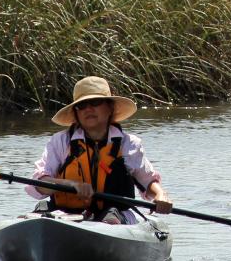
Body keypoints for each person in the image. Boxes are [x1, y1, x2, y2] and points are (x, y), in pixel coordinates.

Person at [25, 76, 172, 224]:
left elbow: (148, 182)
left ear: (110, 108)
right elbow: (39, 184)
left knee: (111, 217)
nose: (88, 109)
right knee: (40, 212)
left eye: (95, 102)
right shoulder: (60, 142)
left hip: (114, 214)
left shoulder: (128, 144)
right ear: (76, 113)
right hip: (64, 215)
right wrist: (71, 184)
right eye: (82, 105)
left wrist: (160, 195)